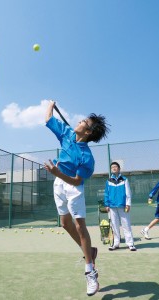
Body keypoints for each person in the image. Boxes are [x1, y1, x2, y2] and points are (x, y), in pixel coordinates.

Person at [44, 100, 110, 297]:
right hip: (58, 184)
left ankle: (90, 271)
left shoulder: (87, 158)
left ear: (88, 132)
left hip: (73, 188)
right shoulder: (67, 134)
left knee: (80, 226)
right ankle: (90, 250)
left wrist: (56, 172)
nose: (79, 122)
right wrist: (51, 104)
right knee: (65, 224)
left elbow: (76, 180)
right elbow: (48, 119)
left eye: (83, 122)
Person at [104, 162, 136, 251]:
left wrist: (128, 204)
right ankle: (116, 244)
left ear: (119, 168)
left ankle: (130, 244)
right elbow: (106, 193)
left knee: (126, 225)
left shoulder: (125, 179)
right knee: (114, 226)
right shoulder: (108, 181)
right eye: (112, 167)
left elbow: (128, 193)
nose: (114, 168)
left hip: (123, 206)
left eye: (115, 167)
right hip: (112, 206)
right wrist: (106, 204)